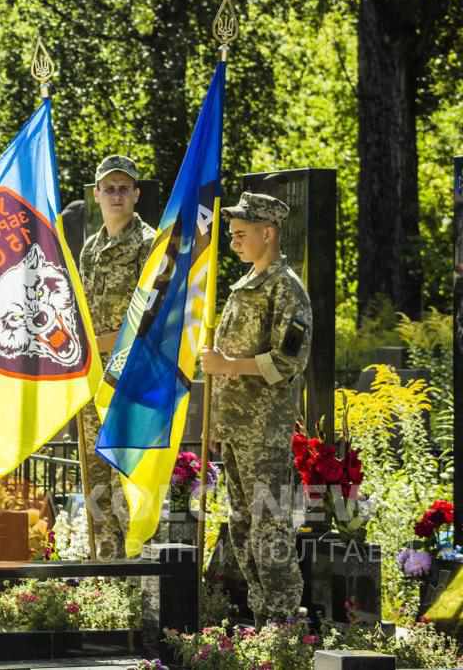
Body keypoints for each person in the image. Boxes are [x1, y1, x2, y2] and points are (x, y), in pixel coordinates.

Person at [200, 192, 312, 626]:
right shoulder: (246, 284)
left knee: (270, 526)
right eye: (231, 235)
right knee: (242, 527)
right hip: (235, 426)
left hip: (263, 429)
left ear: (268, 233)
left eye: (241, 234)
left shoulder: (286, 289)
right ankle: (264, 616)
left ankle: (284, 620)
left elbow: (288, 360)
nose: (233, 243)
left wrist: (229, 365)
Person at [77, 155, 155, 559]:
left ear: (137, 194)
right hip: (93, 384)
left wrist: (97, 346)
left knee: (128, 482)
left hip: (130, 385)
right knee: (96, 484)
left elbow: (149, 321)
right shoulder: (91, 248)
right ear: (97, 195)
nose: (117, 195)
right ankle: (104, 573)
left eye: (125, 188)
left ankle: (138, 578)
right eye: (109, 188)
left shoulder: (149, 245)